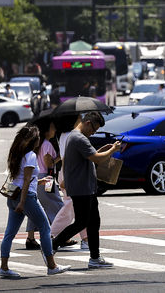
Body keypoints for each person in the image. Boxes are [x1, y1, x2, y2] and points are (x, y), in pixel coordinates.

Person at [51, 112, 121, 269]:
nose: (94, 132)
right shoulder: (78, 138)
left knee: (93, 221)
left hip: (86, 187)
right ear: (88, 122)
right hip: (81, 188)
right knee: (82, 221)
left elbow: (91, 155)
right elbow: (96, 158)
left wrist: (103, 150)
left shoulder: (77, 137)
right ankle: (53, 245)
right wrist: (112, 150)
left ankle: (95, 257)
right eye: (94, 129)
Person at [0, 126, 70, 278]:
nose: (40, 139)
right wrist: (23, 202)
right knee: (45, 228)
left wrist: (39, 181)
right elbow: (25, 181)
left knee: (9, 234)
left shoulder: (17, 154)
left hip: (13, 196)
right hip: (26, 198)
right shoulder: (31, 155)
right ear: (33, 140)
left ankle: (3, 268)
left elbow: (21, 179)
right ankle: (52, 266)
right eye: (38, 137)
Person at [25, 118, 65, 250]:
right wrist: (60, 157)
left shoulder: (37, 144)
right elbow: (49, 164)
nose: (55, 130)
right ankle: (61, 235)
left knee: (36, 208)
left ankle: (30, 238)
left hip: (36, 177)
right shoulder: (47, 144)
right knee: (57, 204)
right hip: (46, 177)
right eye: (53, 127)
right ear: (47, 131)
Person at [50, 117, 88, 251]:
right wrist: (66, 177)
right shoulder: (70, 135)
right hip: (70, 174)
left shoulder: (64, 135)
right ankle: (52, 234)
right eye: (79, 118)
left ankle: (85, 239)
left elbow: (63, 155)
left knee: (77, 208)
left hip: (69, 174)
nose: (81, 120)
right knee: (71, 207)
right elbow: (66, 157)